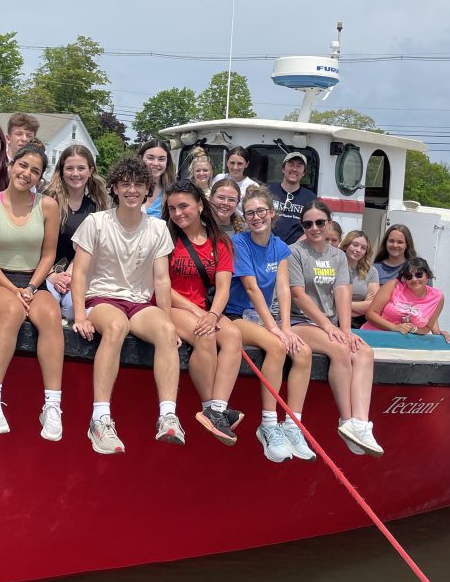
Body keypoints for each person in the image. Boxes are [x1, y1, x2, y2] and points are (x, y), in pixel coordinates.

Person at [71, 157, 184, 454]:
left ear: (148, 189)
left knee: (166, 331)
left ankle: (168, 416)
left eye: (138, 185)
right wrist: (80, 315)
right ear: (115, 188)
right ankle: (100, 418)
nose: (131, 190)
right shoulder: (96, 222)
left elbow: (162, 280)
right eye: (125, 184)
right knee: (116, 326)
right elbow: (79, 273)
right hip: (102, 297)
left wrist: (168, 321)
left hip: (139, 302)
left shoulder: (158, 228)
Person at [0, 143, 64, 440]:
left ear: (40, 177)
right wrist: (13, 289)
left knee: (50, 314)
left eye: (35, 171)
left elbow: (48, 255)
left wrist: (30, 287)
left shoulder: (48, 206)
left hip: (32, 281)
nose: (27, 173)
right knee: (12, 311)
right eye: (23, 165)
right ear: (11, 165)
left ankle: (52, 405)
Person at [225, 187, 315, 462]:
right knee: (276, 347)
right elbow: (251, 288)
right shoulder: (239, 243)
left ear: (272, 213)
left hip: (263, 318)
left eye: (261, 211)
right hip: (236, 315)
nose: (256, 217)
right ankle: (268, 424)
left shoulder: (280, 247)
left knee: (303, 352)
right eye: (250, 213)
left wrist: (285, 326)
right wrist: (274, 329)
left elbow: (283, 288)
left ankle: (293, 425)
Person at [287, 200, 382, 457]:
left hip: (328, 323)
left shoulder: (338, 256)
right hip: (299, 321)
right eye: (308, 224)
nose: (314, 228)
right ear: (302, 226)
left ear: (329, 223)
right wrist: (329, 326)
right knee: (340, 350)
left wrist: (346, 329)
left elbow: (342, 291)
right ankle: (346, 421)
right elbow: (298, 295)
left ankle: (361, 424)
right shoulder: (294, 252)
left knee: (364, 352)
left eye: (320, 222)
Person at [162, 180, 242, 445]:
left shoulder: (220, 241)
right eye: (172, 208)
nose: (178, 213)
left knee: (233, 335)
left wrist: (213, 314)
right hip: (173, 305)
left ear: (199, 205)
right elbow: (161, 285)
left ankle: (218, 408)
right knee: (204, 335)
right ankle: (209, 406)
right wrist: (198, 312)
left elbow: (223, 287)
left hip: (205, 309)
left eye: (183, 206)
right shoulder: (165, 237)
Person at [42, 145, 109, 321]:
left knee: (73, 310)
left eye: (81, 168)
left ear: (90, 171)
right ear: (62, 171)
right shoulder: (47, 201)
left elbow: (91, 249)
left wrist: (71, 276)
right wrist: (52, 275)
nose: (75, 173)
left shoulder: (96, 207)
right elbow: (34, 243)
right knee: (48, 309)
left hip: (77, 273)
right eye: (70, 168)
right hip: (44, 271)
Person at [362, 258, 450, 342]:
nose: (414, 279)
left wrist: (415, 329)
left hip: (404, 344)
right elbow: (371, 314)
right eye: (409, 276)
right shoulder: (394, 285)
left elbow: (427, 328)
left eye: (419, 275)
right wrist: (395, 328)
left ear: (427, 275)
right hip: (374, 337)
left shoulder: (438, 297)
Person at [269, 151, 315, 245]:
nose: (294, 169)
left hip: (296, 250)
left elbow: (313, 227)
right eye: (291, 164)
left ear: (304, 172)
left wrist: (294, 248)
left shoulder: (311, 198)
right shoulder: (267, 192)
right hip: (267, 245)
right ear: (283, 169)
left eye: (299, 166)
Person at [340, 230, 379, 327]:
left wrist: (340, 305)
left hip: (359, 322)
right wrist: (361, 305)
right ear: (346, 245)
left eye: (363, 248)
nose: (358, 250)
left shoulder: (371, 271)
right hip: (334, 321)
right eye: (355, 245)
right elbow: (327, 303)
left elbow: (374, 305)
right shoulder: (335, 266)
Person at [138, 139, 175, 217]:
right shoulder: (127, 189)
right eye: (150, 158)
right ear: (140, 158)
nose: (155, 163)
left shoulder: (173, 192)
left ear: (167, 162)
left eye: (161, 159)